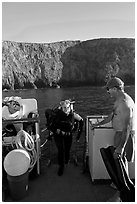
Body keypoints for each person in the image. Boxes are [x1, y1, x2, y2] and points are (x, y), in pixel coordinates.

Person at [91, 77, 135, 201]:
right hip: (119, 134)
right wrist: (97, 125)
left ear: (115, 89)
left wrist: (121, 147)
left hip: (123, 136)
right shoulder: (118, 101)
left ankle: (123, 193)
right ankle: (120, 189)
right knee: (120, 163)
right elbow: (111, 116)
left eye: (108, 89)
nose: (108, 92)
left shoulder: (125, 103)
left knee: (121, 161)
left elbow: (127, 127)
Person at [45, 100, 83, 176]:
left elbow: (81, 121)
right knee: (61, 150)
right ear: (61, 108)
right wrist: (55, 130)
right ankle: (61, 166)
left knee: (67, 150)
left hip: (68, 134)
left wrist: (78, 135)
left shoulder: (73, 115)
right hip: (58, 135)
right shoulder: (56, 115)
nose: (65, 110)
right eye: (64, 108)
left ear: (70, 107)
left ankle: (66, 161)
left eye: (67, 108)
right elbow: (49, 125)